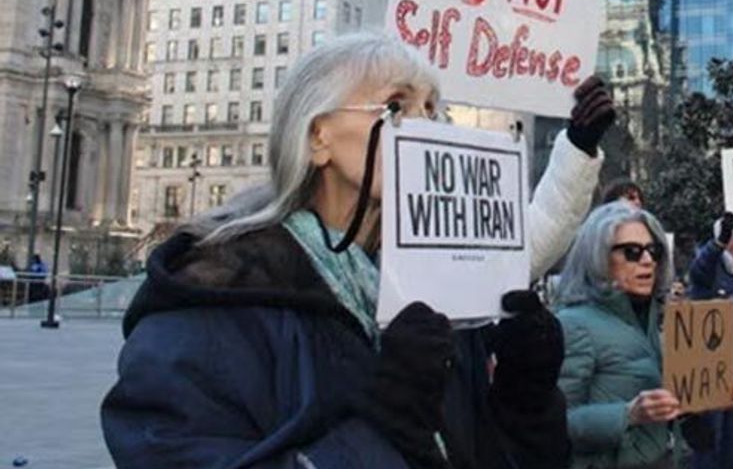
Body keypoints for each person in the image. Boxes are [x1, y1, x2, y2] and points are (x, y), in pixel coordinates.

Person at [101, 32, 614, 468]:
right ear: (317, 137)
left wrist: (524, 401)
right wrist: (381, 428)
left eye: (431, 109)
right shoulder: (215, 297)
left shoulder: (439, 296)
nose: (423, 126)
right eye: (395, 106)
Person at [556, 202, 733, 468]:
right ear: (598, 257)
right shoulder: (573, 325)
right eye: (632, 252)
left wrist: (712, 394)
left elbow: (672, 405)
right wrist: (627, 415)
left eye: (653, 250)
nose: (647, 260)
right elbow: (556, 422)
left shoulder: (658, 319)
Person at [686, 212, 733, 469]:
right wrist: (718, 243)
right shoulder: (712, 268)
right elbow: (699, 268)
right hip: (713, 358)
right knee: (711, 430)